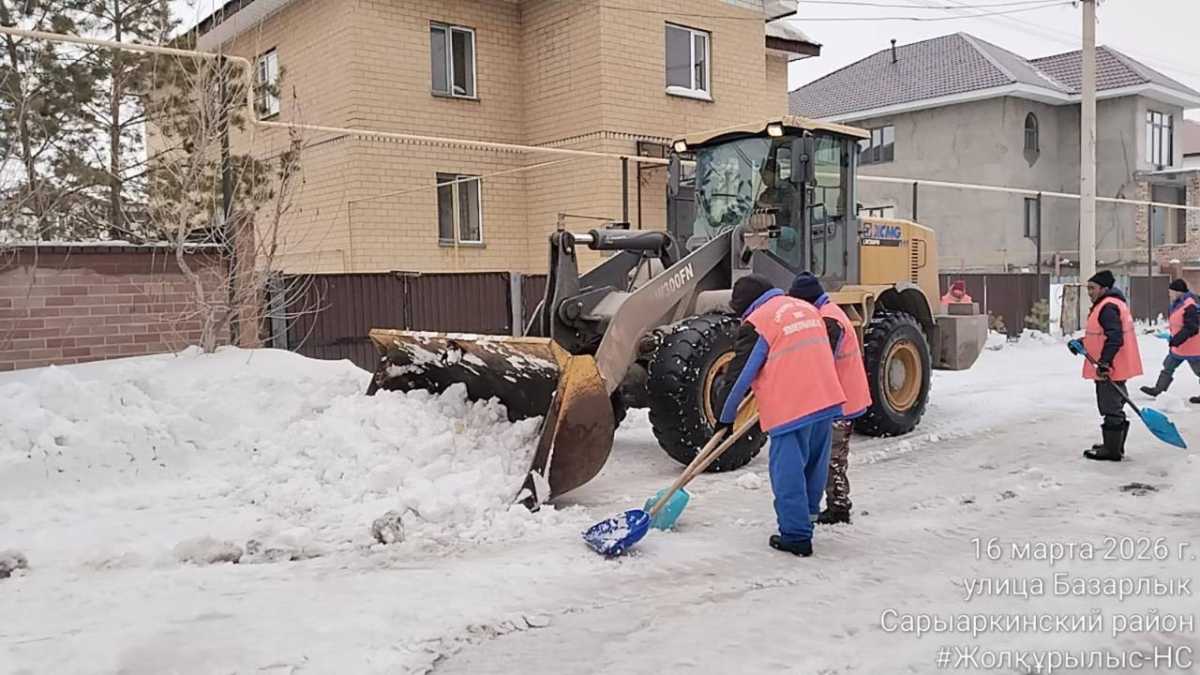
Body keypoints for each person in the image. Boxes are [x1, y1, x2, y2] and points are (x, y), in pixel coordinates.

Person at [718, 274, 846, 557]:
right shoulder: (806, 308)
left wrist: (725, 418)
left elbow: (740, 376)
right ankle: (807, 518)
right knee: (814, 466)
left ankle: (796, 536)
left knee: (787, 471)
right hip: (825, 397)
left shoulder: (759, 321)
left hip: (791, 407)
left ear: (746, 306)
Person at [788, 272, 872, 526]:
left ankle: (839, 507)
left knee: (833, 457)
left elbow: (821, 358)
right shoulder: (828, 313)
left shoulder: (829, 320)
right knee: (830, 455)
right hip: (840, 397)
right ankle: (836, 503)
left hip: (841, 401)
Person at [1068, 270, 1142, 461]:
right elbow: (1101, 336)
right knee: (1114, 404)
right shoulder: (1111, 304)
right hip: (1114, 364)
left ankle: (1112, 450)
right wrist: (1082, 343)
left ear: (1104, 288)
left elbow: (1115, 337)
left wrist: (1105, 363)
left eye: (1092, 288)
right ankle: (1114, 445)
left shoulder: (1108, 307)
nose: (1089, 292)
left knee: (1110, 406)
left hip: (1111, 366)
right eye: (1088, 288)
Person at [1140, 279, 1200, 403]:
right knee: (1168, 366)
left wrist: (1176, 340)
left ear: (1178, 292)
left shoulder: (1190, 305)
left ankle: (1158, 389)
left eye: (1171, 292)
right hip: (1178, 346)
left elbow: (1192, 327)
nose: (1169, 294)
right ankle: (1158, 390)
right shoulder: (1178, 303)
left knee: (1198, 371)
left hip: (1192, 348)